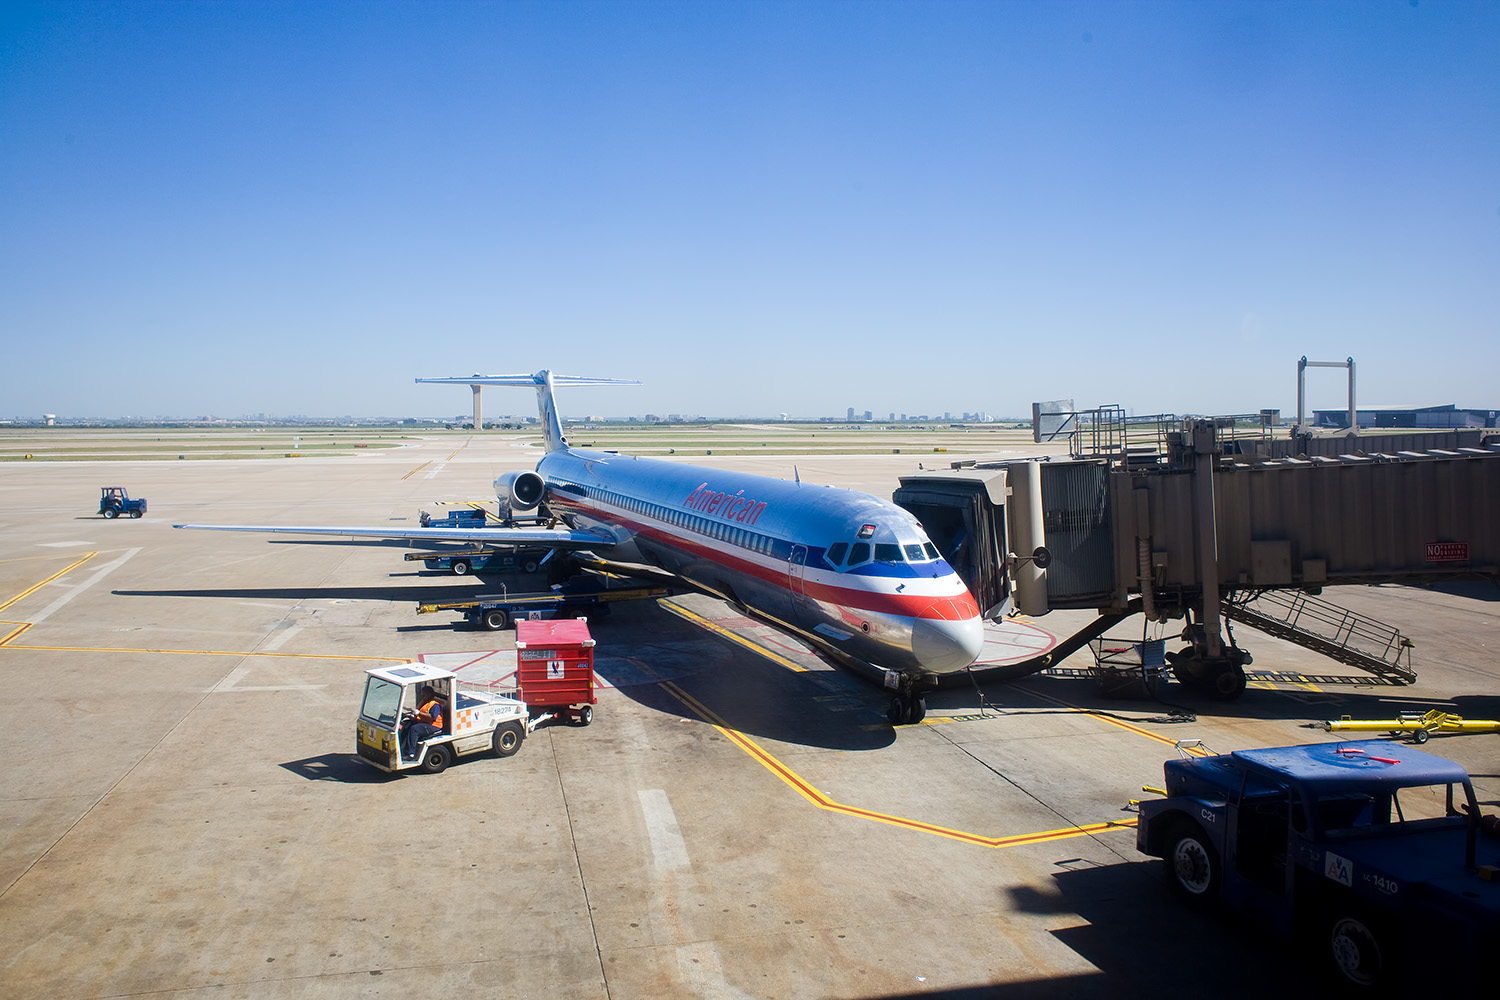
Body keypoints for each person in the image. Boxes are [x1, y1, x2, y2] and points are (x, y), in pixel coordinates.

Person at [401, 686, 445, 760]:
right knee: (407, 725)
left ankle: (411, 753)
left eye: (424, 694)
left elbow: (431, 718)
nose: (422, 696)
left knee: (414, 729)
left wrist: (418, 713)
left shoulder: (435, 705)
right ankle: (402, 749)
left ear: (429, 694)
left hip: (433, 726)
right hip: (424, 723)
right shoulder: (424, 703)